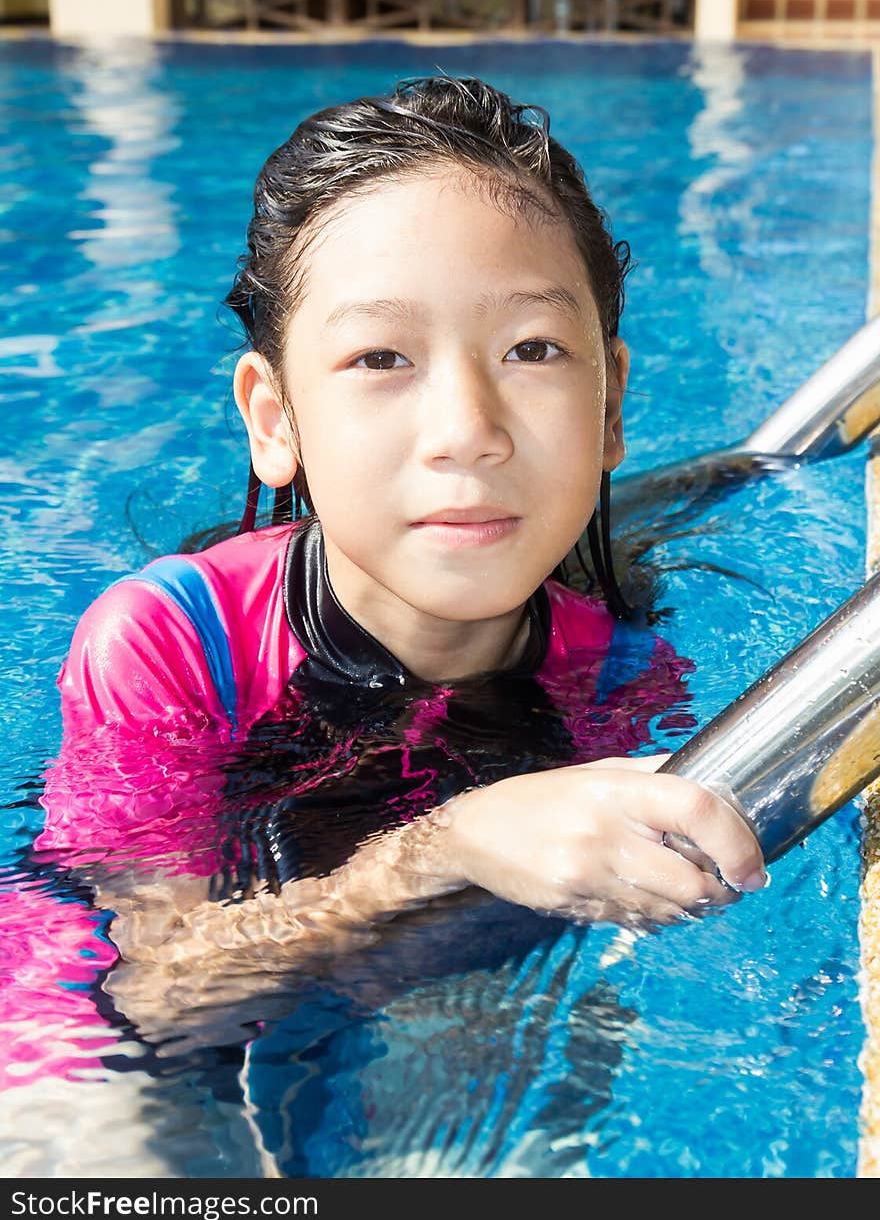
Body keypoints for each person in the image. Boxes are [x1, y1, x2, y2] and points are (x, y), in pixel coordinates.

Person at [38, 75, 767, 1016]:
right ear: (276, 418)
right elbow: (156, 991)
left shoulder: (622, 669)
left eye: (533, 348)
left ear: (611, 406)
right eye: (381, 357)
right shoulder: (171, 645)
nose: (468, 429)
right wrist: (446, 845)